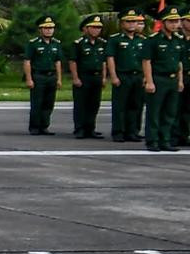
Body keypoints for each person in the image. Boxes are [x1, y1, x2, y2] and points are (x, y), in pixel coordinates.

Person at [142, 9, 185, 152]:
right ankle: (153, 140)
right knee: (154, 112)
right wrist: (149, 81)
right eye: (171, 21)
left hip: (173, 79)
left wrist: (180, 81)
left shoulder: (178, 40)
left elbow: (179, 62)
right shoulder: (153, 40)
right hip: (158, 78)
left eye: (177, 21)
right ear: (163, 22)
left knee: (170, 112)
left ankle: (165, 140)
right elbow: (146, 61)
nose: (174, 25)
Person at [107, 10, 148, 143]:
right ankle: (119, 132)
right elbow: (110, 58)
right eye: (128, 21)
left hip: (138, 76)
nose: (131, 24)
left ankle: (133, 131)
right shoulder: (115, 39)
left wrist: (146, 76)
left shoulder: (142, 40)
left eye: (134, 21)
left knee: (136, 105)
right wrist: (113, 76)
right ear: (122, 23)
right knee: (120, 106)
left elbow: (145, 60)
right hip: (123, 75)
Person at [22, 17, 65, 136]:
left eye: (51, 28)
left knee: (49, 103)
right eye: (46, 28)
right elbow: (27, 61)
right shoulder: (33, 43)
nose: (49, 30)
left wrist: (59, 78)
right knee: (37, 103)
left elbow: (58, 62)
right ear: (40, 29)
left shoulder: (56, 44)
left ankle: (44, 126)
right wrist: (29, 78)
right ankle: (35, 127)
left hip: (51, 76)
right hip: (38, 76)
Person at [68, 13, 109, 139]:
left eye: (98, 28)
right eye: (93, 27)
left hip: (96, 76)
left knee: (94, 104)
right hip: (83, 76)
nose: (96, 30)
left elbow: (103, 61)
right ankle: (80, 129)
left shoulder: (102, 43)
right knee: (81, 104)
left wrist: (103, 77)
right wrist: (75, 78)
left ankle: (90, 128)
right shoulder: (78, 43)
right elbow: (73, 61)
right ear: (85, 29)